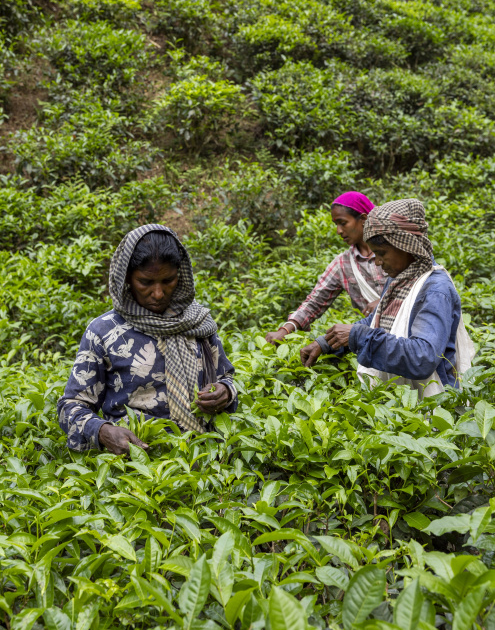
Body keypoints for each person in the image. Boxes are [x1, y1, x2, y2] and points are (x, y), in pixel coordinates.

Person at [57, 224, 237, 453]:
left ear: (180, 276)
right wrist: (102, 431)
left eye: (168, 280)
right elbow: (70, 407)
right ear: (128, 279)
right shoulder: (103, 332)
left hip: (206, 460)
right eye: (146, 282)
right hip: (138, 470)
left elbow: (226, 377)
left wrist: (225, 391)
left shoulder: (198, 322)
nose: (158, 293)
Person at [320, 199, 474, 395]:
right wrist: (326, 343)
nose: (377, 262)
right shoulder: (400, 279)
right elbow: (377, 320)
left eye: (381, 253)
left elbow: (423, 358)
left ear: (406, 246)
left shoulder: (435, 290)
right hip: (402, 402)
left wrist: (358, 336)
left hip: (435, 408)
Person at [265, 191, 387, 365]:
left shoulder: (394, 250)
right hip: (374, 342)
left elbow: (417, 284)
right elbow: (315, 302)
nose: (338, 231)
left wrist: (384, 301)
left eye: (343, 223)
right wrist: (286, 329)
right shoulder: (343, 264)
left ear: (364, 219)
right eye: (336, 224)